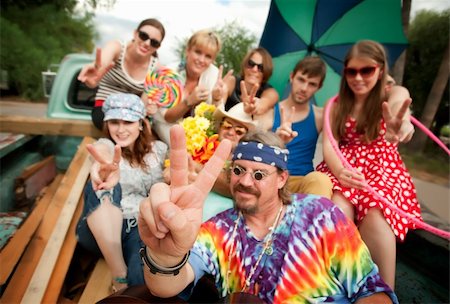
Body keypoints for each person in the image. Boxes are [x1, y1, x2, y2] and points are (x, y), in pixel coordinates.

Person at [137, 125, 398, 303]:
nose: (245, 182)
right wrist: (164, 257)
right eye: (238, 170)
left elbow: (372, 291)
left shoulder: (321, 216)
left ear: (282, 178)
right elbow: (166, 286)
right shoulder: (219, 231)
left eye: (259, 174)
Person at [316, 40, 421, 290]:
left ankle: (385, 293)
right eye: (352, 71)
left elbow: (400, 108)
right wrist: (340, 172)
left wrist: (402, 125)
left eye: (367, 70)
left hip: (381, 166)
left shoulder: (392, 95)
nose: (358, 78)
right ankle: (339, 283)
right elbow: (330, 145)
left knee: (375, 213)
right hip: (343, 167)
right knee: (337, 208)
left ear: (381, 70)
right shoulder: (338, 105)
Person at [76, 93, 167, 292]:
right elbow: (103, 153)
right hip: (101, 230)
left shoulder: (159, 150)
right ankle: (118, 274)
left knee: (141, 276)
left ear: (141, 124)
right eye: (114, 122)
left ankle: (129, 279)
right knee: (103, 187)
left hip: (139, 227)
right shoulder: (107, 145)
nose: (121, 129)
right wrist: (102, 167)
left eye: (128, 121)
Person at [163, 102, 256, 220]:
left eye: (239, 131)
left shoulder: (247, 160)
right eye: (227, 125)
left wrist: (199, 170)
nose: (231, 132)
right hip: (184, 213)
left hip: (221, 222)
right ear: (219, 126)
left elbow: (236, 188)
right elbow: (168, 173)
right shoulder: (199, 144)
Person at [260, 56, 332, 198]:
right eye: (301, 80)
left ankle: (315, 219)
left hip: (302, 183)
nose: (304, 88)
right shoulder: (270, 113)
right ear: (292, 77)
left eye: (312, 84)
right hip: (272, 180)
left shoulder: (320, 116)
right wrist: (277, 140)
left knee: (321, 180)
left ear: (319, 87)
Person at [77, 18, 165, 130]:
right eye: (143, 36)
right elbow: (102, 63)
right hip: (104, 108)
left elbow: (143, 104)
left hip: (132, 114)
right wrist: (95, 72)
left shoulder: (156, 68)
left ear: (158, 47)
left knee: (137, 130)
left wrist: (150, 109)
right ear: (135, 33)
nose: (147, 43)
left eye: (154, 42)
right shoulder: (117, 47)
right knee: (118, 127)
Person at [152, 29, 221, 144]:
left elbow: (214, 120)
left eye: (208, 56)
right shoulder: (171, 73)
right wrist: (189, 101)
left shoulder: (213, 74)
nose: (201, 60)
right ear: (188, 50)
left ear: (213, 60)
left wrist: (217, 99)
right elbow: (167, 117)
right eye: (198, 52)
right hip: (165, 125)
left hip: (196, 135)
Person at [212, 47, 279, 130]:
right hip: (225, 128)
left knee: (267, 113)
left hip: (248, 135)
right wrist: (217, 98)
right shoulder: (232, 81)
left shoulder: (270, 92)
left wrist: (254, 106)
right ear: (245, 65)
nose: (254, 69)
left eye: (260, 67)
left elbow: (264, 103)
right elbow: (218, 109)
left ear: (266, 71)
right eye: (251, 64)